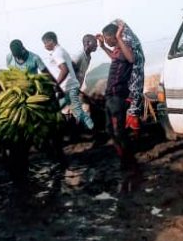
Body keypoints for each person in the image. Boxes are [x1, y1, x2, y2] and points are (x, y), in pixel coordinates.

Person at [41, 31, 94, 133]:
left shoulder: (57, 53)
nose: (45, 46)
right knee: (63, 110)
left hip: (67, 87)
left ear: (51, 41)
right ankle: (73, 131)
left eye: (45, 43)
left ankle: (92, 129)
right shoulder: (61, 50)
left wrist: (56, 84)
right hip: (67, 87)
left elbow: (64, 70)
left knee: (78, 112)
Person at [97, 23, 134, 159]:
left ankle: (127, 157)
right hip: (110, 95)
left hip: (118, 95)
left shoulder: (125, 48)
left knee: (119, 130)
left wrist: (119, 37)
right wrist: (103, 47)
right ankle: (122, 154)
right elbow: (114, 56)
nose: (105, 40)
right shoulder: (118, 51)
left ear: (114, 37)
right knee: (109, 129)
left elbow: (130, 58)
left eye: (106, 38)